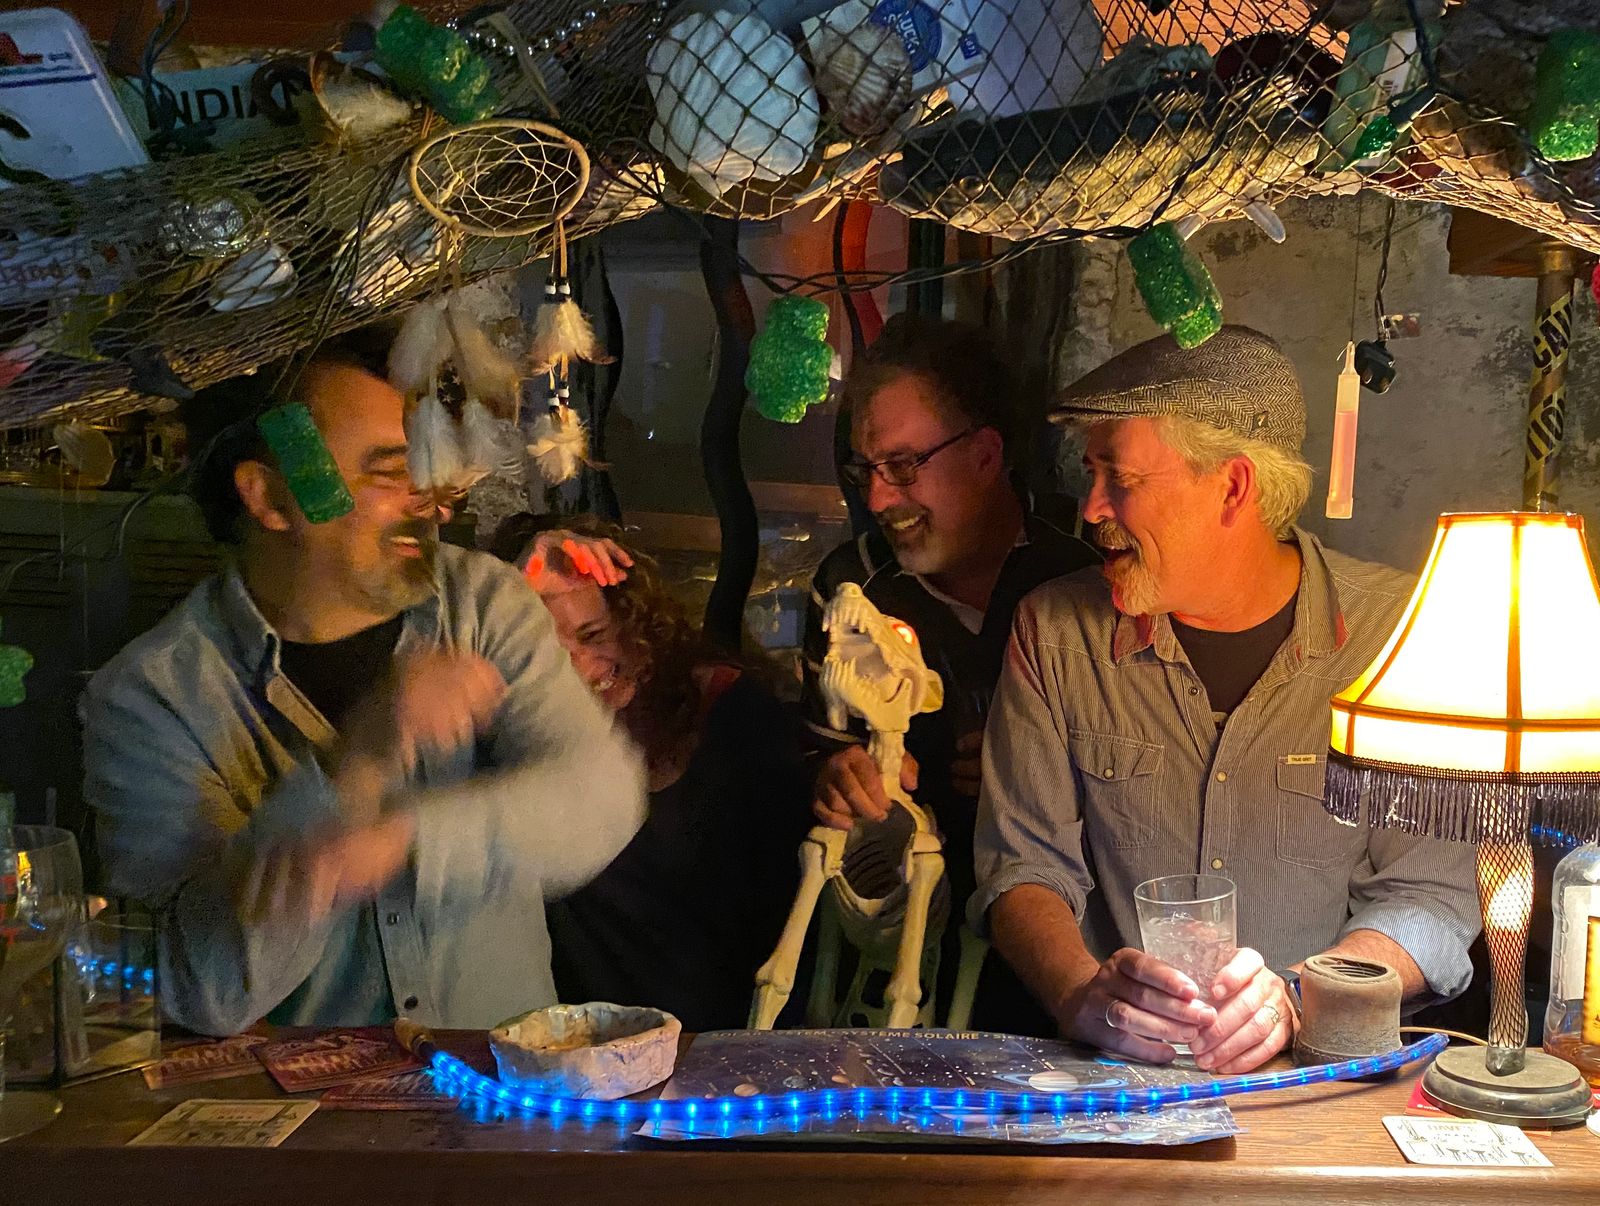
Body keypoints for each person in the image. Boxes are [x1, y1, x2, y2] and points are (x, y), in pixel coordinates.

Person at [81, 351, 647, 1035]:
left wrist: (406, 837)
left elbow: (600, 797)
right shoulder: (151, 698)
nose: (427, 497)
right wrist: (351, 771)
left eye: (426, 465)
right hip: (301, 1102)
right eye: (388, 471)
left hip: (508, 1086)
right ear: (270, 497)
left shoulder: (482, 605)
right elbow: (202, 991)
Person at [970, 326, 1480, 1073]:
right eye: (1091, 474)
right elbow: (1023, 867)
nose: (1091, 509)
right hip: (1118, 1081)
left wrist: (1298, 996)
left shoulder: (1397, 638)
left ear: (1234, 487)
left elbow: (1431, 897)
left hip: (1318, 1079)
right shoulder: (1055, 633)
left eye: (1121, 478)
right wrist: (1083, 996)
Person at [803, 315, 1099, 1028]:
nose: (878, 500)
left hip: (1074, 958)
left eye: (904, 465)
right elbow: (817, 753)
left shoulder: (1086, 569)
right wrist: (835, 777)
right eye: (865, 470)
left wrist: (1031, 770)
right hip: (904, 955)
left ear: (986, 454)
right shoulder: (850, 591)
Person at [491, 513, 811, 1032]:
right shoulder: (525, 739)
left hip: (734, 1039)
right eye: (550, 653)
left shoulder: (731, 713)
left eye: (594, 634)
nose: (581, 667)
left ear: (636, 620)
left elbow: (791, 910)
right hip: (586, 1040)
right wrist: (507, 593)